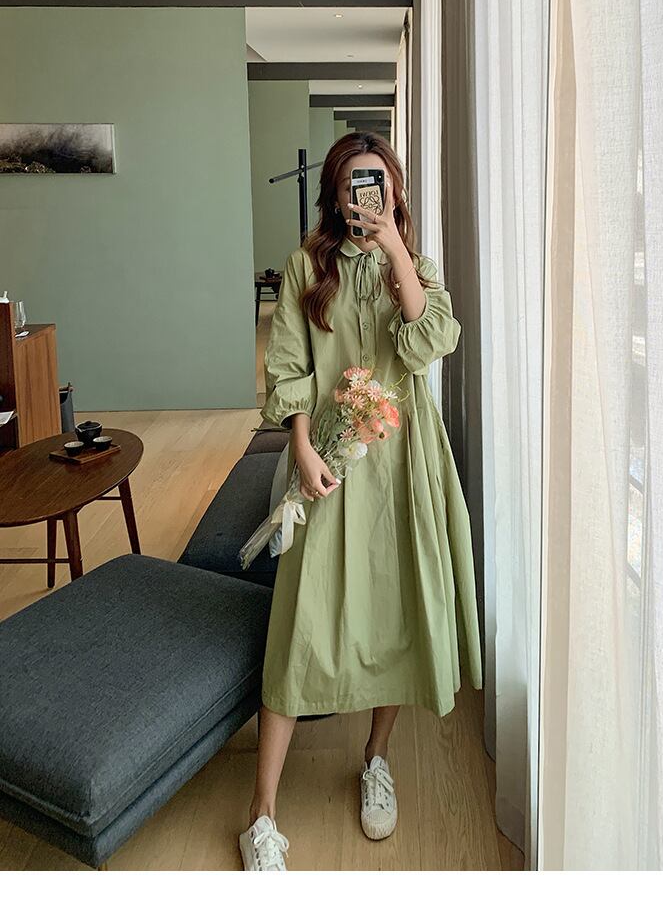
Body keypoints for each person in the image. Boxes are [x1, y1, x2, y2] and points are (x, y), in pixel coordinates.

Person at [238, 132, 483, 872]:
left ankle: (376, 759)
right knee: (299, 626)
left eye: (377, 181)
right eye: (352, 183)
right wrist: (301, 448)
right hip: (330, 457)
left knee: (397, 610)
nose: (364, 195)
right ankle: (261, 815)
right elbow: (289, 365)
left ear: (394, 190)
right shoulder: (305, 266)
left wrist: (394, 248)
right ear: (334, 194)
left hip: (404, 461)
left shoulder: (415, 266)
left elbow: (429, 340)